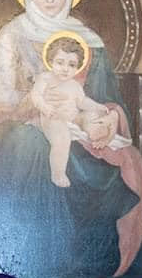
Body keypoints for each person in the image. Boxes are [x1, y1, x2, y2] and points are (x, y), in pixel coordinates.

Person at [0, 0, 142, 278]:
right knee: (29, 146)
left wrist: (107, 120)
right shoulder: (11, 36)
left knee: (126, 158)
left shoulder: (88, 40)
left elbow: (105, 99)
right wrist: (34, 105)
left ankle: (95, 265)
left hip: (80, 126)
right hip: (21, 127)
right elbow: (1, 105)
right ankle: (42, 267)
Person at [29, 34, 122, 188]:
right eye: (60, 63)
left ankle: (99, 134)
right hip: (52, 118)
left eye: (72, 65)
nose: (65, 69)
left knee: (94, 117)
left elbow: (82, 101)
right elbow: (36, 95)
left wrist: (97, 106)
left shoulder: (74, 85)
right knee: (62, 138)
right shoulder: (45, 78)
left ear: (78, 67)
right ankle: (58, 173)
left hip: (73, 117)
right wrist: (45, 107)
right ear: (51, 62)